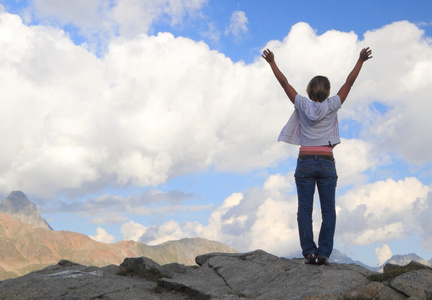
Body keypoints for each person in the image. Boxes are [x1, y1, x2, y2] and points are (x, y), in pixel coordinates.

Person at [262, 47, 373, 265]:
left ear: (309, 91)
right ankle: (323, 253)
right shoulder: (333, 105)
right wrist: (360, 60)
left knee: (304, 209)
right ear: (327, 91)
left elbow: (284, 84)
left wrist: (272, 63)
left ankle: (309, 252)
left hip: (304, 161)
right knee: (328, 210)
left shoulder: (302, 104)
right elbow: (349, 83)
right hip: (326, 162)